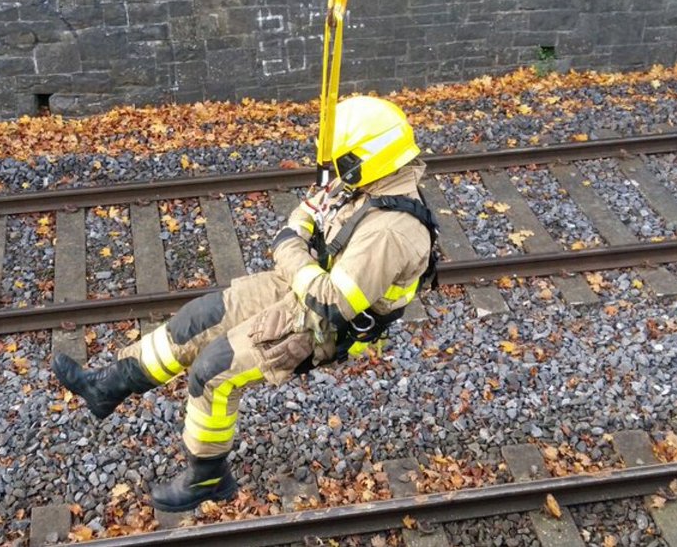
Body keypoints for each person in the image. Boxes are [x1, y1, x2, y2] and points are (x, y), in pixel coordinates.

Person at [51, 96, 438, 512]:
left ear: (368, 159)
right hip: (306, 282)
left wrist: (289, 247)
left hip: (328, 324)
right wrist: (298, 243)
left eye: (343, 161)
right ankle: (106, 387)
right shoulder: (365, 182)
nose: (336, 171)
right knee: (196, 321)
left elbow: (328, 300)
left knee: (213, 372)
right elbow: (307, 211)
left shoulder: (390, 232)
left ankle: (208, 477)